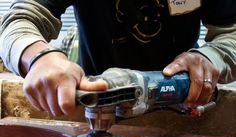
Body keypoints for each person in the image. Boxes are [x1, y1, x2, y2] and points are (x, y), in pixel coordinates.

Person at [0, 0, 235, 117]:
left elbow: (231, 32)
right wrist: (40, 57)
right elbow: (18, 19)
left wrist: (209, 58)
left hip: (181, 105)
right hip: (97, 106)